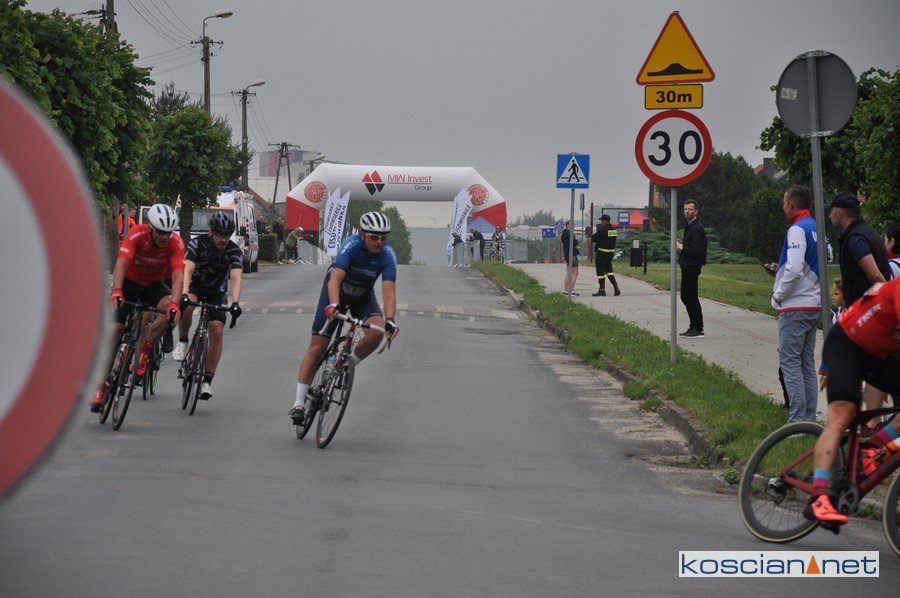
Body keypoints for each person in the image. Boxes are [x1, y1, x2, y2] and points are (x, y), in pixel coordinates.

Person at [289, 212, 400, 423]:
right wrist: (333, 305)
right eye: (374, 237)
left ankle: (346, 367)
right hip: (336, 292)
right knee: (318, 346)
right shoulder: (350, 245)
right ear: (362, 234)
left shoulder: (387, 255)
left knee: (376, 332)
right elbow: (335, 279)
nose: (379, 242)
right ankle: (299, 403)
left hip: (362, 296)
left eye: (383, 237)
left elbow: (389, 289)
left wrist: (390, 319)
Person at [805, 278, 900, 523]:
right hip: (846, 343)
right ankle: (818, 498)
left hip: (876, 353)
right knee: (841, 417)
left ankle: (871, 451)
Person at [90, 203, 184, 412]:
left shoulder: (175, 242)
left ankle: (144, 351)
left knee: (169, 310)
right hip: (129, 283)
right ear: (150, 228)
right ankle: (100, 385)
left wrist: (175, 304)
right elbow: (121, 264)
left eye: (168, 232)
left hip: (153, 285)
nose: (164, 237)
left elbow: (178, 275)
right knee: (116, 329)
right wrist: (117, 290)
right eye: (160, 232)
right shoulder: (136, 234)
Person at [828, 191, 892, 427]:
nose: (829, 215)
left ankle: (872, 424)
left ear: (840, 213)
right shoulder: (867, 233)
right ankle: (872, 420)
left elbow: (875, 275)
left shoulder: (856, 240)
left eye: (831, 211)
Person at [172, 211, 244, 400]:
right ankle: (183, 340)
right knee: (187, 306)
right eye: (219, 234)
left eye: (227, 235)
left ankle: (207, 382)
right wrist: (184, 294)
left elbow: (236, 278)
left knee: (217, 330)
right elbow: (188, 269)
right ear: (211, 232)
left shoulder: (234, 251)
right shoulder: (198, 243)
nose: (223, 239)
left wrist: (236, 303)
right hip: (195, 284)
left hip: (216, 290)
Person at [771, 185, 821, 423]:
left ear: (791, 204)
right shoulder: (815, 227)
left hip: (795, 305)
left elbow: (794, 268)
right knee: (806, 362)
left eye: (784, 202)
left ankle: (797, 421)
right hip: (813, 303)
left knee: (790, 362)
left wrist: (778, 295)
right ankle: (809, 419)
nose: (783, 206)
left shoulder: (797, 229)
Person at [676, 199, 708, 338]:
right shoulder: (689, 227)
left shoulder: (697, 229)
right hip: (687, 266)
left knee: (691, 297)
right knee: (686, 296)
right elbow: (691, 246)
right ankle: (693, 326)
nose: (687, 211)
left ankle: (698, 328)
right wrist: (683, 244)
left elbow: (696, 251)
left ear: (696, 211)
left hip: (692, 267)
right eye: (685, 209)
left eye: (690, 209)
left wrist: (682, 247)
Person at [591, 214, 620, 297]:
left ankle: (602, 290)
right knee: (609, 271)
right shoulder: (614, 230)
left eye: (601, 220)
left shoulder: (603, 230)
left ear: (604, 221)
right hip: (610, 254)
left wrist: (599, 232)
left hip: (601, 253)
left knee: (600, 272)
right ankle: (616, 287)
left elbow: (593, 238)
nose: (601, 222)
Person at [560, 219, 579, 296]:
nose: (573, 225)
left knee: (569, 272)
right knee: (575, 273)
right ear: (567, 224)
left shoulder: (564, 232)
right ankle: (570, 290)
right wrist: (575, 240)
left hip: (567, 255)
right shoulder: (569, 232)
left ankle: (566, 290)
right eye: (571, 224)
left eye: (573, 224)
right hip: (572, 255)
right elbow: (574, 242)